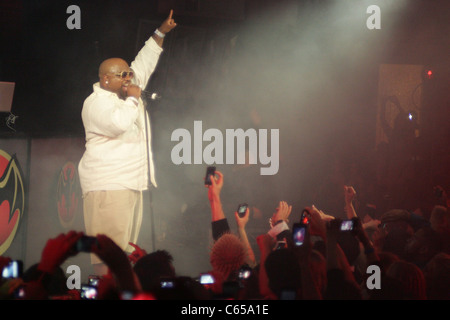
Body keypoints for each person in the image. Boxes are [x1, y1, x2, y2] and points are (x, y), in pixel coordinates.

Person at [78, 11, 177, 275]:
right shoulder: (95, 103)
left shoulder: (124, 93)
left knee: (125, 255)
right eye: (122, 75)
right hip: (108, 187)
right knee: (108, 258)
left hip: (129, 184)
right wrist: (134, 99)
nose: (128, 79)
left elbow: (142, 64)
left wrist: (160, 33)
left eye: (128, 75)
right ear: (105, 79)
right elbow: (118, 123)